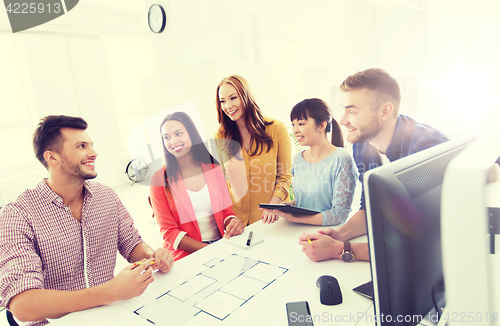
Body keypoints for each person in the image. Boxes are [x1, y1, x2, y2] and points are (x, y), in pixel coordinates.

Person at [0, 115, 174, 326]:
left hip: (112, 315)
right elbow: (22, 304)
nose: (93, 152)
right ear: (52, 157)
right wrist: (109, 293)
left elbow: (130, 243)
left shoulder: (106, 196)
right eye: (81, 146)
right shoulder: (17, 214)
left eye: (91, 145)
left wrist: (153, 255)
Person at [299, 68, 449, 262]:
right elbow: (369, 206)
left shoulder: (426, 151)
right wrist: (339, 235)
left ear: (385, 111)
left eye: (352, 111)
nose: (342, 120)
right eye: (343, 109)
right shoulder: (361, 144)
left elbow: (427, 243)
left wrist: (340, 250)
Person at [149, 111, 245, 261]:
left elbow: (227, 212)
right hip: (184, 256)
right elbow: (169, 232)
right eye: (166, 137)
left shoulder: (214, 169)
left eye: (178, 134)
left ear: (191, 134)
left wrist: (232, 222)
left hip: (221, 245)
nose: (173, 141)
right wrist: (211, 250)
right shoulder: (158, 179)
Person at [259, 98, 357, 226]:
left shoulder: (342, 158)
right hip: (295, 231)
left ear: (322, 125)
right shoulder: (298, 159)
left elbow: (339, 215)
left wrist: (293, 217)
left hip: (325, 235)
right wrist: (285, 207)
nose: (295, 131)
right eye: (293, 124)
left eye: (301, 124)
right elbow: (307, 201)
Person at [215, 75, 292, 225]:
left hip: (272, 219)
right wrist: (229, 217)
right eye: (222, 101)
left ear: (246, 96)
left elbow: (284, 176)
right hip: (238, 223)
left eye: (233, 98)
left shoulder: (277, 129)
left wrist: (272, 206)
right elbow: (222, 183)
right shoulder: (221, 136)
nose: (228, 106)